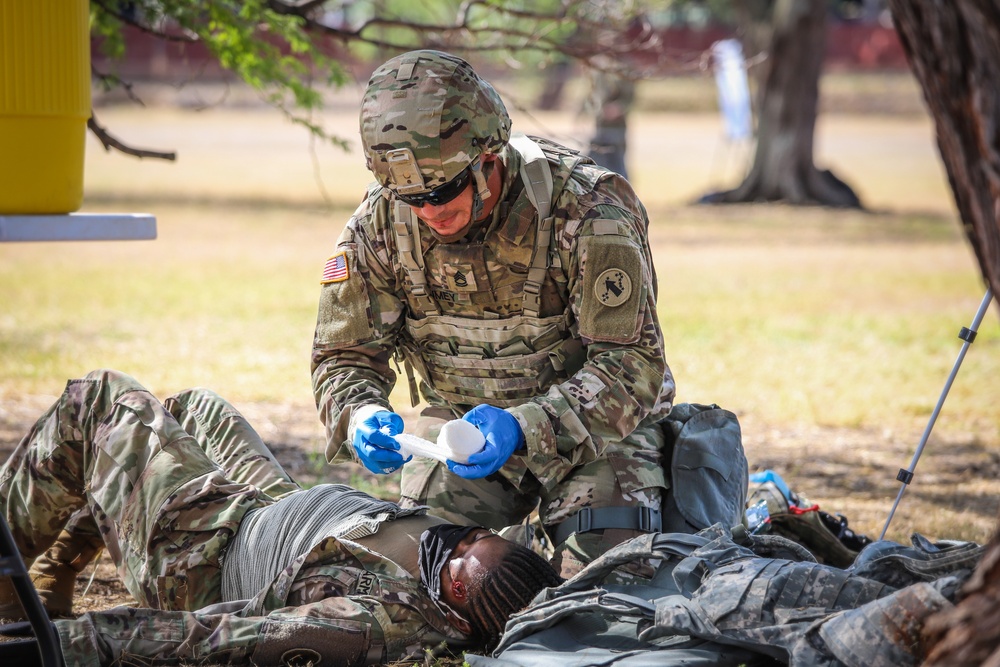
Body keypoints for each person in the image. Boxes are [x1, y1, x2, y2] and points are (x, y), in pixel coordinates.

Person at [311, 49, 675, 581]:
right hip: (463, 438)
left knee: (603, 588)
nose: (430, 211)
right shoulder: (380, 225)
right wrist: (359, 414)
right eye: (409, 195)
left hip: (596, 436)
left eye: (443, 190)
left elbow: (633, 365)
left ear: (489, 155)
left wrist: (524, 425)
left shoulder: (588, 211)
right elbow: (343, 356)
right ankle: (516, 544)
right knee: (414, 583)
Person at [0, 369, 562, 666]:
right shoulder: (494, 569)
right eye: (472, 540)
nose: (457, 547)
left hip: (202, 558)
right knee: (195, 407)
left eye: (459, 569)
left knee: (102, 400)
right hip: (269, 510)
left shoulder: (376, 623)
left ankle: (9, 579)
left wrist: (53, 645)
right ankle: (60, 565)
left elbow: (217, 638)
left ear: (459, 617)